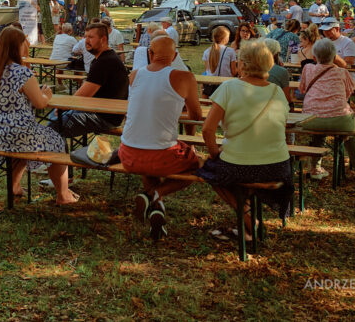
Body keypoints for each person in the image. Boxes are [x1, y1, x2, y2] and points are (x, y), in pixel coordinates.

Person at [198, 40, 295, 239]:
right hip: (278, 165)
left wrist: (215, 153)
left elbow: (207, 130)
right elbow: (281, 126)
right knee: (229, 173)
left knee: (209, 171)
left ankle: (249, 220)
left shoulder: (229, 88)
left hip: (239, 164)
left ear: (243, 64)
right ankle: (248, 223)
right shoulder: (277, 91)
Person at [0, 26, 78, 206]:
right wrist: (46, 94)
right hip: (15, 133)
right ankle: (63, 195)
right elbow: (39, 103)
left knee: (22, 144)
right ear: (18, 45)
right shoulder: (21, 72)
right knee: (57, 141)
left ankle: (14, 186)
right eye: (25, 42)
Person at [120, 36, 203, 239]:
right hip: (161, 156)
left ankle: (157, 210)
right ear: (175, 56)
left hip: (128, 154)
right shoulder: (185, 77)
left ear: (150, 54)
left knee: (148, 161)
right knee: (198, 165)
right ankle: (155, 194)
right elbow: (196, 116)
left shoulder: (134, 74)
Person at [294, 39, 355, 183]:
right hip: (340, 120)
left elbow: (302, 89)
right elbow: (350, 92)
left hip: (310, 120)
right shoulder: (342, 72)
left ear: (314, 57)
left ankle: (315, 169)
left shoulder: (308, 69)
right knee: (353, 133)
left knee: (319, 131)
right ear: (335, 56)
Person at [53, 22, 129, 137]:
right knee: (55, 118)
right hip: (100, 112)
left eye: (91, 37)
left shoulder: (105, 62)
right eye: (86, 37)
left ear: (103, 39)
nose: (86, 41)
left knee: (55, 124)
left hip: (105, 117)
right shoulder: (105, 58)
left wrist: (64, 106)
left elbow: (83, 95)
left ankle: (57, 152)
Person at [201, 26, 235, 94]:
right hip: (225, 85)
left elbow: (207, 70)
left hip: (209, 85)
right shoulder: (230, 51)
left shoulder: (207, 51)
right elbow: (233, 71)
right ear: (225, 38)